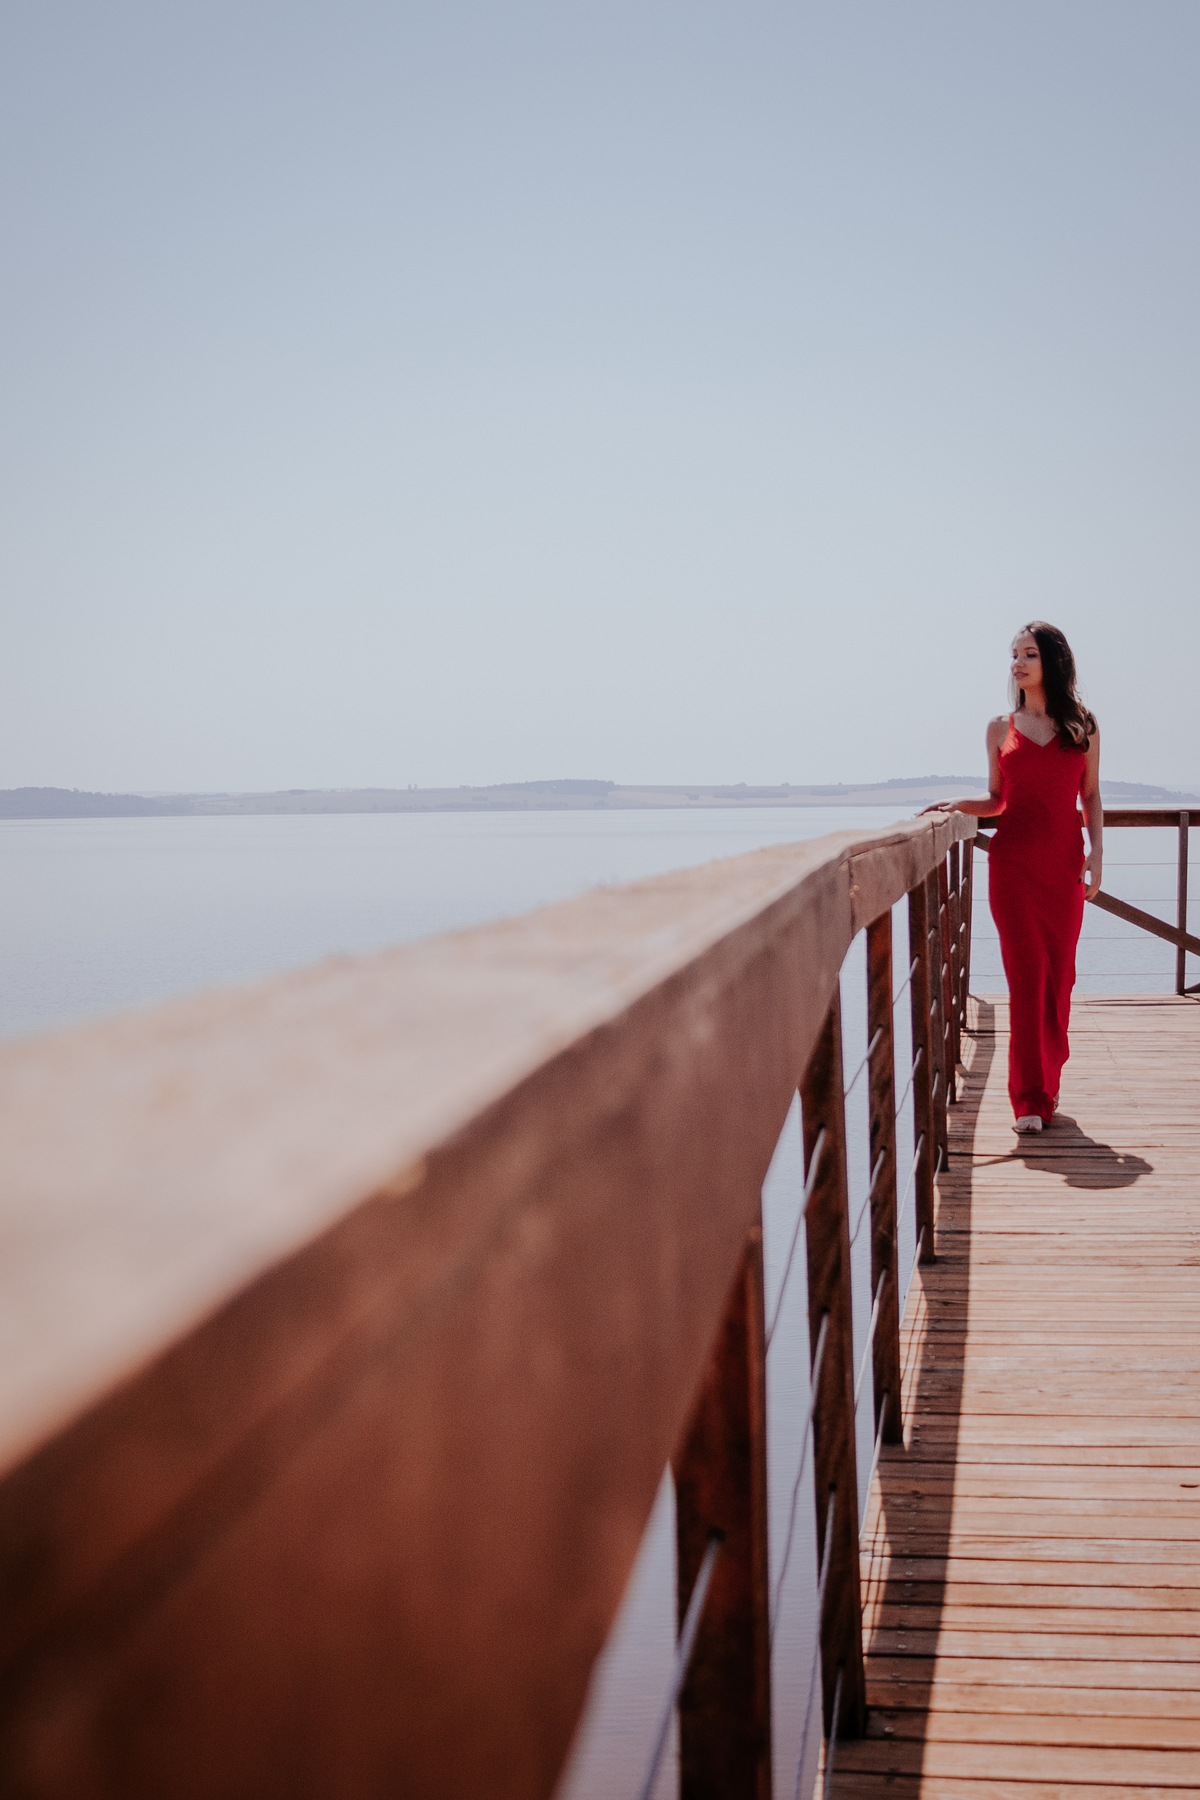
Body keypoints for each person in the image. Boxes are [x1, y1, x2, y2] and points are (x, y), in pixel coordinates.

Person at [923, 623, 1102, 1134]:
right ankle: (1028, 1100)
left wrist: (1098, 853)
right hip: (1014, 867)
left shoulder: (1082, 725)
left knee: (1059, 980)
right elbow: (998, 799)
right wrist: (957, 804)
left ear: (1053, 661)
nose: (1018, 664)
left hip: (1064, 863)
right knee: (1026, 979)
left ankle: (1047, 1085)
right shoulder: (1000, 727)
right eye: (1014, 655)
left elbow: (1089, 795)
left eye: (1029, 654)